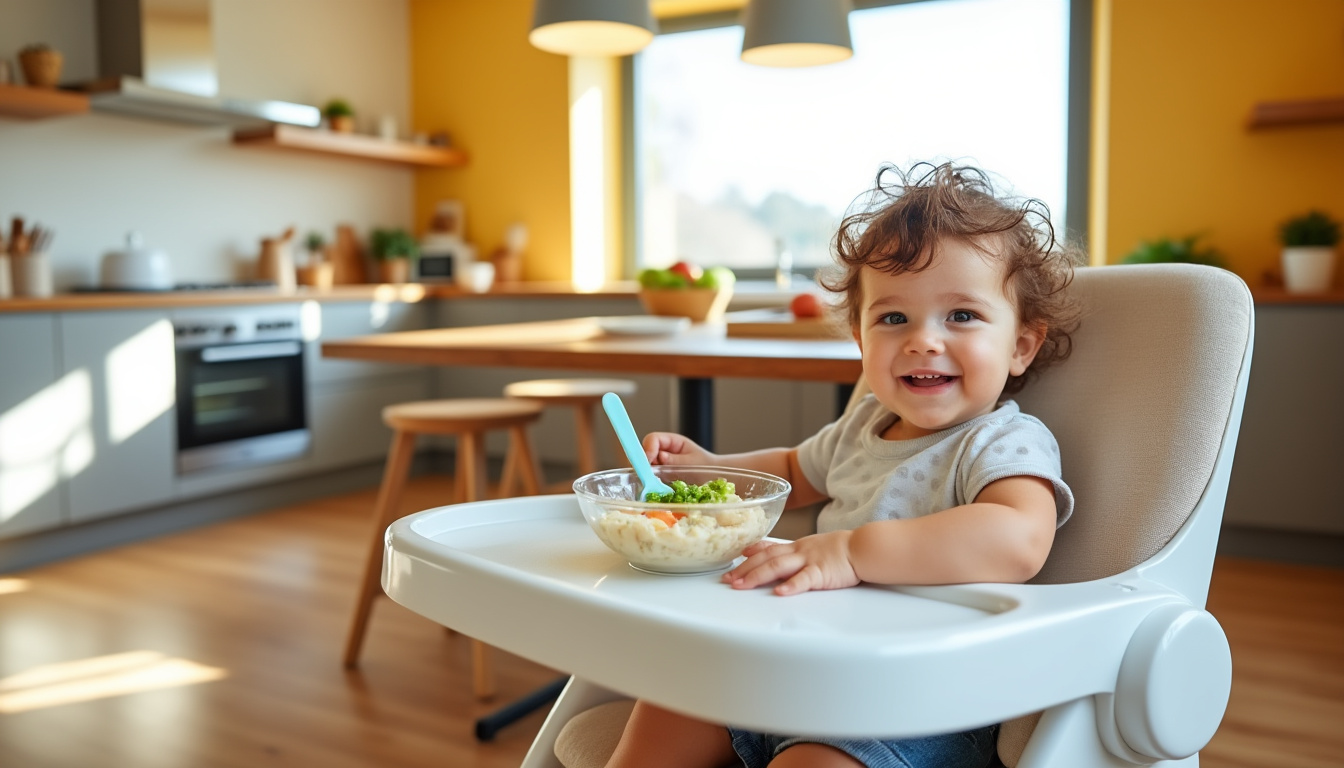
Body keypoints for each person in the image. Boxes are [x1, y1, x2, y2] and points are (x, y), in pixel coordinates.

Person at [605, 162, 1083, 768]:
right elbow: (791, 470)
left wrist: (853, 551)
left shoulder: (1002, 441)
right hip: (795, 664)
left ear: (1021, 346)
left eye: (961, 316)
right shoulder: (862, 426)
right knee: (674, 695)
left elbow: (1019, 539)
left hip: (916, 702)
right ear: (861, 340)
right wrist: (710, 469)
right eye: (893, 318)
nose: (923, 340)